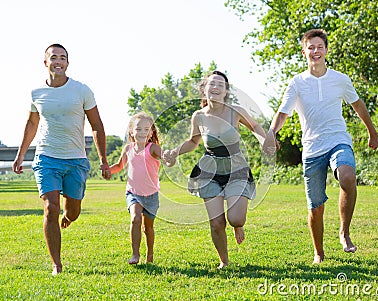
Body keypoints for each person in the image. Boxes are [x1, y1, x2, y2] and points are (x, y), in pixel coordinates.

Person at [266, 29, 378, 263]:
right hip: (311, 148)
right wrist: (270, 134)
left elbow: (358, 106)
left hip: (338, 139)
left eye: (320, 47)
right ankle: (319, 252)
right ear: (304, 51)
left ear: (326, 50)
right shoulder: (297, 83)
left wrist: (373, 132)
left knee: (347, 177)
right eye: (311, 47)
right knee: (315, 208)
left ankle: (344, 232)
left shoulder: (340, 79)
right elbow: (282, 113)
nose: (315, 51)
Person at [12, 44, 110, 275]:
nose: (58, 61)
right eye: (53, 57)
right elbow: (32, 124)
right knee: (50, 207)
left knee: (72, 210)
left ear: (68, 63)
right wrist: (20, 155)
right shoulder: (37, 93)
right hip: (47, 157)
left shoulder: (81, 90)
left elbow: (96, 126)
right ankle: (56, 263)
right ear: (45, 62)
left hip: (76, 159)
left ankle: (69, 215)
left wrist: (103, 159)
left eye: (62, 58)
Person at [163, 70, 270, 269]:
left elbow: (255, 126)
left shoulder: (235, 111)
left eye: (220, 85)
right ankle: (224, 261)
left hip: (236, 168)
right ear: (204, 89)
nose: (215, 88)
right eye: (211, 84)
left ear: (226, 91)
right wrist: (175, 152)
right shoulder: (199, 116)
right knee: (216, 222)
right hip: (209, 171)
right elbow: (193, 141)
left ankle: (238, 225)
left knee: (236, 219)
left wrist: (265, 141)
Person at [109, 112, 168, 265]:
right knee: (135, 219)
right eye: (138, 129)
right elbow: (119, 166)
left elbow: (164, 157)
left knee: (148, 227)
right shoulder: (128, 149)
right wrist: (108, 170)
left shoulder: (153, 148)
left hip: (151, 195)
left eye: (146, 129)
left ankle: (150, 254)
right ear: (131, 132)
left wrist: (169, 157)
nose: (142, 132)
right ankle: (135, 255)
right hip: (133, 192)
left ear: (151, 133)